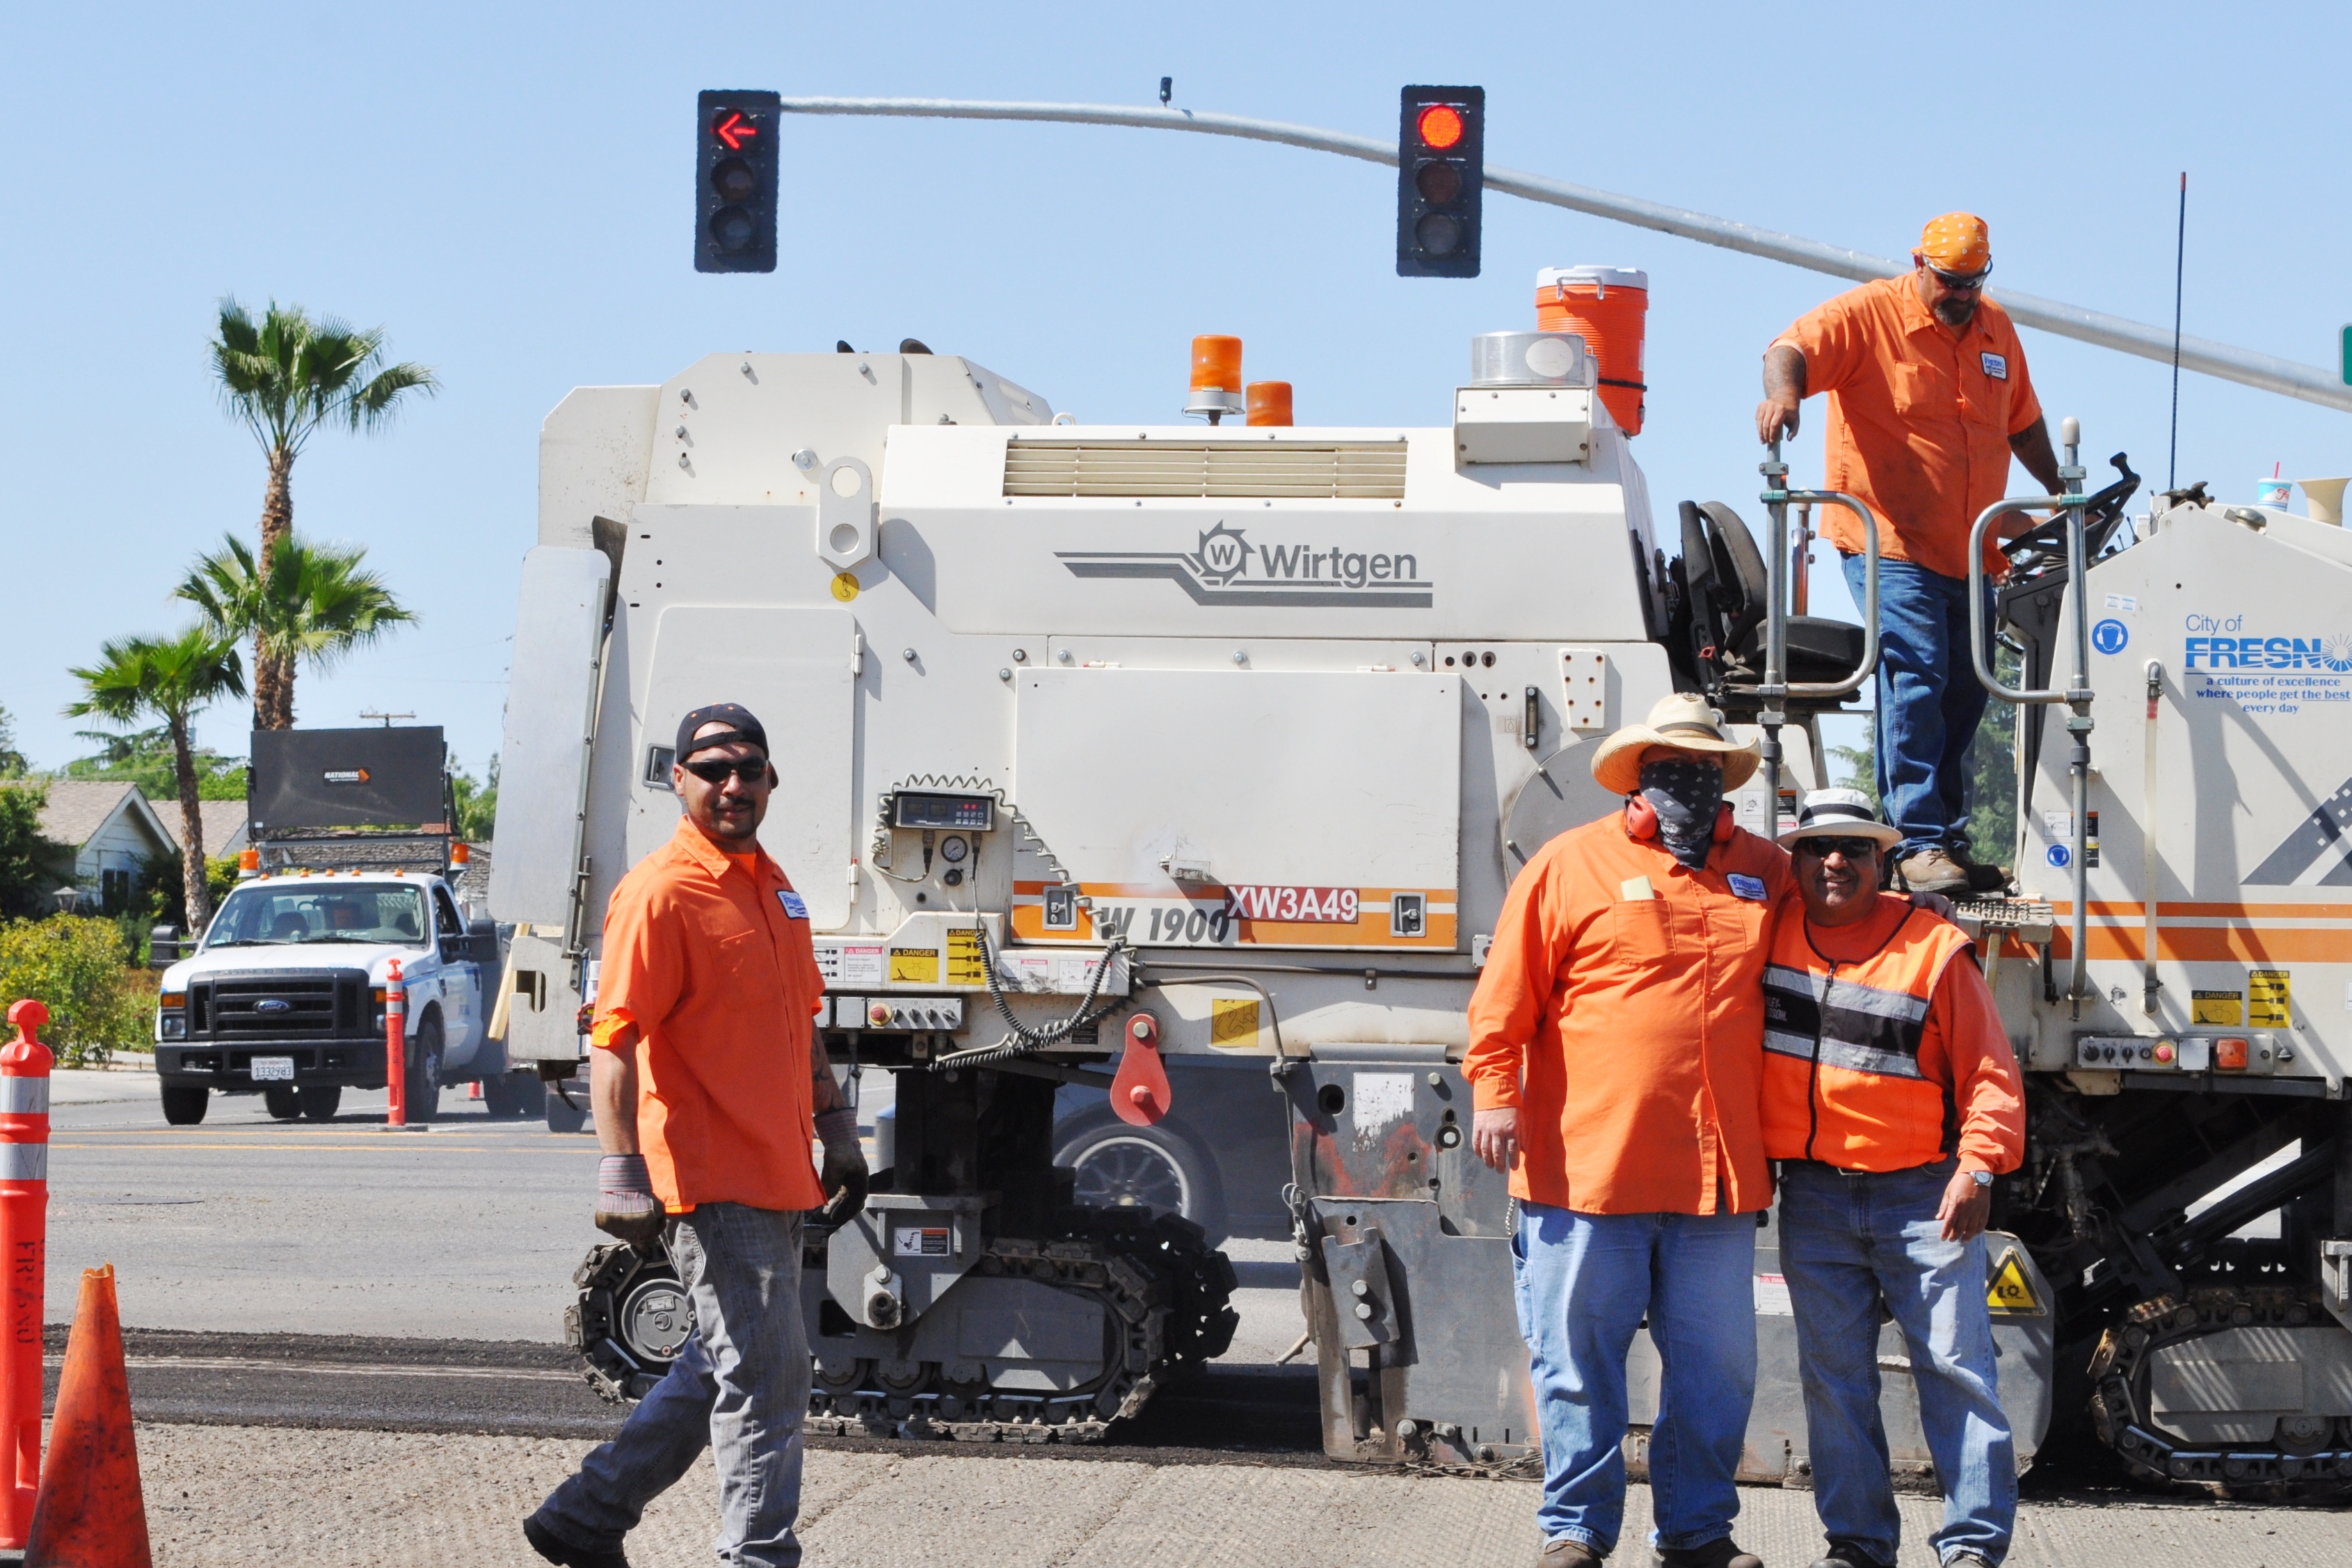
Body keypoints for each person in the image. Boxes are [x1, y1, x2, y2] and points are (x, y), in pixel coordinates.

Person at [525, 703, 868, 1568]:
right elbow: (614, 1039)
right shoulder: (660, 891)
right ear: (677, 779)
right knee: (768, 1374)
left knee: (724, 1360)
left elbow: (800, 1022)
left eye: (747, 768)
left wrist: (837, 1129)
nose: (731, 784)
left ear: (770, 779)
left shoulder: (774, 886)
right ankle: (757, 1556)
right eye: (711, 769)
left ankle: (586, 1513)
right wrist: (618, 1169)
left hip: (778, 1167)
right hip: (711, 1174)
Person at [1466, 692, 1788, 1568]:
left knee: (1717, 1368)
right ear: (1637, 775)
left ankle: (1694, 1533)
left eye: (1703, 767)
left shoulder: (1767, 870)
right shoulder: (1568, 863)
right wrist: (1493, 1092)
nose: (1688, 780)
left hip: (1716, 1179)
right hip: (1586, 1169)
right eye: (1669, 766)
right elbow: (1503, 996)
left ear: (1725, 777)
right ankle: (1575, 1529)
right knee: (1576, 1361)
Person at [1756, 214, 2065, 895]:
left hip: (1969, 547)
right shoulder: (1870, 314)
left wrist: (2063, 493)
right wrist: (1784, 395)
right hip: (1890, 541)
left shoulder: (1995, 329)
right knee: (1918, 674)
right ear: (1920, 263)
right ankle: (1916, 843)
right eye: (1950, 282)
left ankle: (1947, 839)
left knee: (1970, 685)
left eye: (1973, 283)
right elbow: (1790, 347)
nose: (1962, 296)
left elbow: (2023, 424)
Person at [1762, 788, 2026, 1568]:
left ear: (1883, 860)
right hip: (1813, 1194)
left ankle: (1972, 1547)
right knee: (1835, 1380)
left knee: (1957, 1372)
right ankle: (1859, 1544)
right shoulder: (1769, 931)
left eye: (1855, 847)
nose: (1834, 862)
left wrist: (1979, 1166)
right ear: (1795, 860)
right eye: (1818, 847)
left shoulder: (1933, 945)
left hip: (1923, 1196)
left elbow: (1989, 1070)